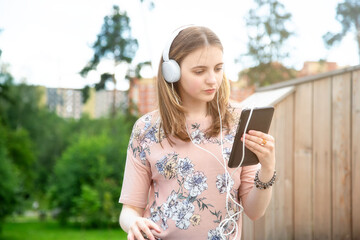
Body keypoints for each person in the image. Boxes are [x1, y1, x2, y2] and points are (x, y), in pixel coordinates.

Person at [119, 25, 276, 240]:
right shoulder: (146, 129)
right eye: (200, 71)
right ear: (171, 72)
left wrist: (267, 169)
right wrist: (133, 223)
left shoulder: (239, 121)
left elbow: (254, 212)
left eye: (218, 68)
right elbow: (129, 211)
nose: (213, 79)